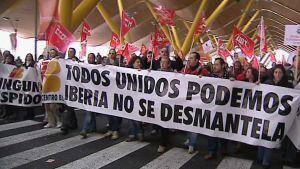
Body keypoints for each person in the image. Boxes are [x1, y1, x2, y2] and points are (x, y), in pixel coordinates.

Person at [258, 64, 292, 169]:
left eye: (280, 72)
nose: (277, 74)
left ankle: (265, 161)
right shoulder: (267, 83)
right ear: (273, 73)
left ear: (283, 74)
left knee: (270, 138)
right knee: (262, 136)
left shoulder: (287, 86)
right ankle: (260, 157)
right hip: (266, 116)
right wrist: (257, 86)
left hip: (277, 117)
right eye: (276, 72)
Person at [181, 52, 209, 154]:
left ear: (197, 60)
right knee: (187, 121)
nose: (189, 60)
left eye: (191, 58)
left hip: (198, 103)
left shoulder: (204, 71)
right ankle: (189, 139)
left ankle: (192, 144)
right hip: (186, 101)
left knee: (194, 123)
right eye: (189, 58)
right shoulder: (185, 69)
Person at [204, 57, 229, 160]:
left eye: (217, 64)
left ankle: (224, 148)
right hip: (213, 108)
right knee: (212, 130)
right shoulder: (210, 76)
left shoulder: (229, 77)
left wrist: (233, 82)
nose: (214, 66)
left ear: (223, 66)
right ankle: (212, 151)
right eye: (214, 64)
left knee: (223, 130)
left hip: (225, 109)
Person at [102, 49, 123, 140]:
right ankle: (111, 129)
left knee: (116, 112)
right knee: (108, 111)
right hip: (107, 91)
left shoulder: (120, 64)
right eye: (110, 53)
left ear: (115, 55)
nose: (111, 55)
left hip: (117, 91)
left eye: (113, 53)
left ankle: (116, 130)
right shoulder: (104, 64)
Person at [125, 56, 144, 142]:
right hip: (130, 97)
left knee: (137, 117)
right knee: (130, 117)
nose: (139, 63)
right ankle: (132, 134)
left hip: (139, 98)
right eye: (137, 62)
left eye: (139, 62)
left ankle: (139, 132)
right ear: (132, 64)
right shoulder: (128, 72)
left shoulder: (143, 72)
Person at [79, 53, 97, 139]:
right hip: (88, 93)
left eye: (92, 57)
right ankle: (92, 128)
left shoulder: (98, 67)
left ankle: (85, 129)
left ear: (94, 58)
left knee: (90, 111)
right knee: (89, 110)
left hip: (96, 93)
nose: (90, 59)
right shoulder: (85, 67)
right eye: (89, 57)